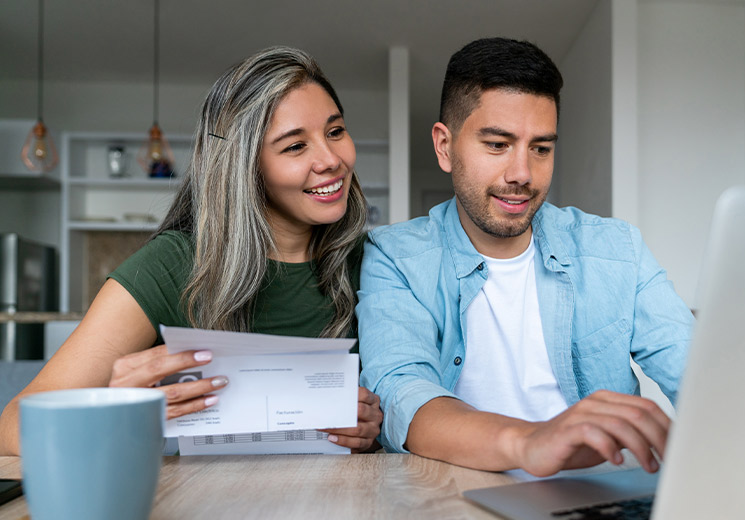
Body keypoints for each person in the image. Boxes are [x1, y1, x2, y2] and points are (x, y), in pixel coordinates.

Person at [0, 46, 382, 456]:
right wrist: (114, 411)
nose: (331, 160)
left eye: (335, 131)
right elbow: (10, 431)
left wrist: (378, 427)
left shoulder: (378, 263)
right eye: (294, 146)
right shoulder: (169, 267)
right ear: (242, 167)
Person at [356, 38, 693, 477]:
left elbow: (699, 374)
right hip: (461, 494)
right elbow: (404, 394)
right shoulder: (395, 256)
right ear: (444, 146)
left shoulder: (616, 250)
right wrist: (530, 440)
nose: (522, 174)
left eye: (541, 148)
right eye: (497, 144)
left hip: (603, 491)